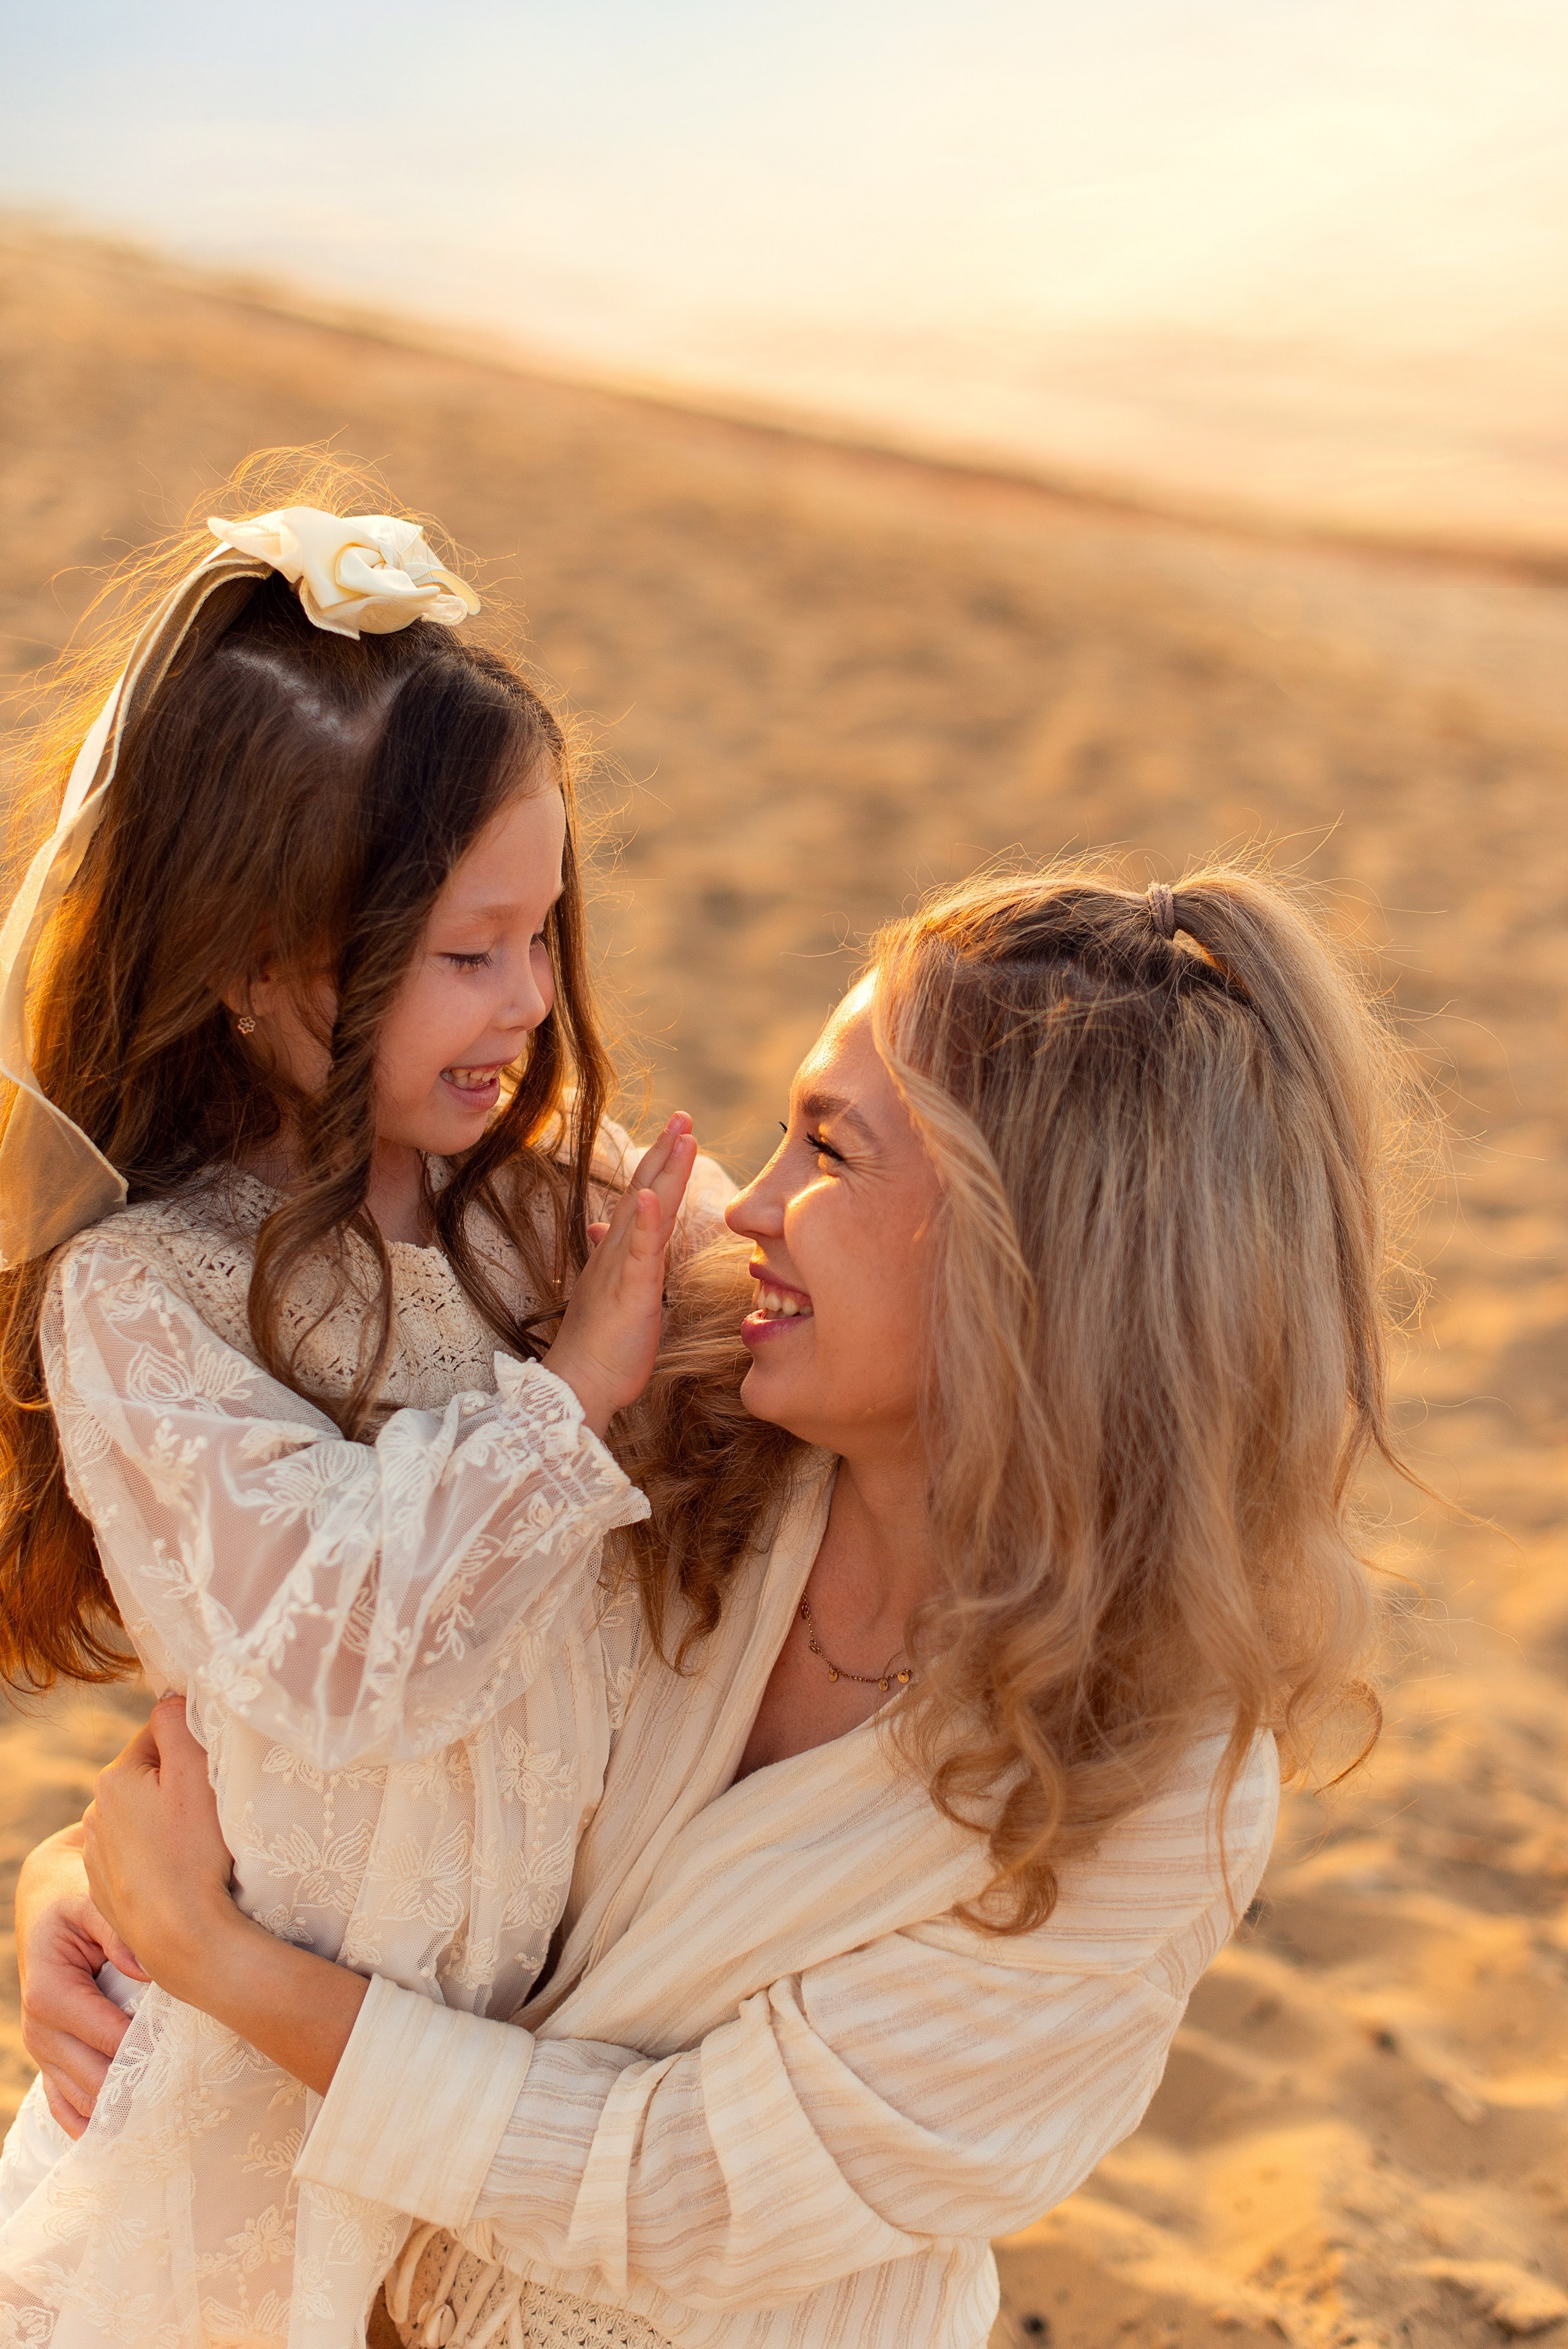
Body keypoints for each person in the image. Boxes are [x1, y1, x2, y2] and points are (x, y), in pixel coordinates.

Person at [42, 865, 1425, 2349]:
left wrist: (227, 1967)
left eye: (826, 1150)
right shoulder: (673, 1413)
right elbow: (356, 1711)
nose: (747, 1207)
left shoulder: (1153, 1790)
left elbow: (677, 2194)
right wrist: (91, 1890)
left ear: (1044, 1257)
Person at [0, 454, 724, 2349]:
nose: (530, 1000)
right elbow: (345, 1647)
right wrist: (573, 1395)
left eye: (543, 931)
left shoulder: (552, 1204)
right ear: (256, 961)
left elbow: (801, 1344)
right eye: (466, 954)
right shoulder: (143, 1296)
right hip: (271, 2066)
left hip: (537, 2044)